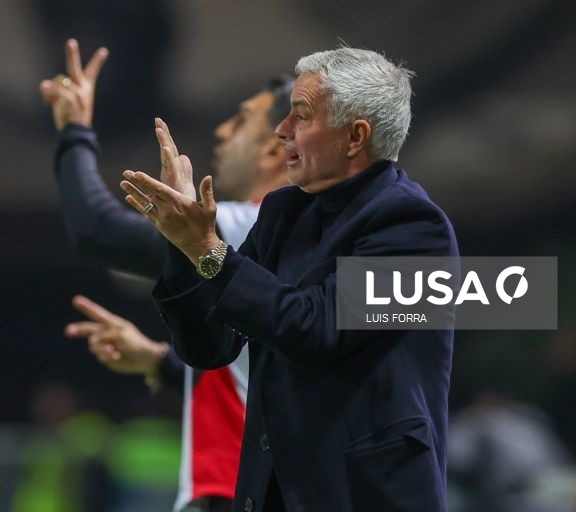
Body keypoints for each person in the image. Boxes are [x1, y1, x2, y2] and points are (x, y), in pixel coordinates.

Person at [120, 47, 458, 511]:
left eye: (300, 115)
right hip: (273, 492)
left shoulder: (414, 227)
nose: (282, 130)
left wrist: (206, 248)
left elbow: (315, 329)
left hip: (362, 496)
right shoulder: (284, 212)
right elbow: (210, 348)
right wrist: (182, 245)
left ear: (355, 136)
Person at [39, 39, 291, 512]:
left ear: (276, 149)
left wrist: (75, 130)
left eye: (241, 120)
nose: (221, 131)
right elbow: (267, 370)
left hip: (241, 492)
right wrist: (160, 362)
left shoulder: (244, 225)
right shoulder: (293, 238)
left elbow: (96, 228)